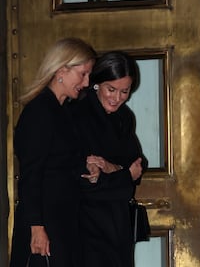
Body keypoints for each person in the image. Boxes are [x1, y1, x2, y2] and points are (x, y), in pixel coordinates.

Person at [10, 38, 96, 267]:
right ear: (61, 70)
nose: (86, 82)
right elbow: (31, 174)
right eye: (82, 74)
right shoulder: (39, 112)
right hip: (44, 223)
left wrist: (88, 167)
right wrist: (36, 227)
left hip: (63, 219)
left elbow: (62, 162)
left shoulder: (64, 111)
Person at [71, 51, 148, 267]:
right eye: (111, 89)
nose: (117, 98)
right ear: (96, 84)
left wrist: (110, 167)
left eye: (125, 91)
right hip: (86, 224)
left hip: (118, 224)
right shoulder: (78, 115)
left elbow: (139, 166)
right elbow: (87, 181)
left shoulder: (124, 117)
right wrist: (124, 174)